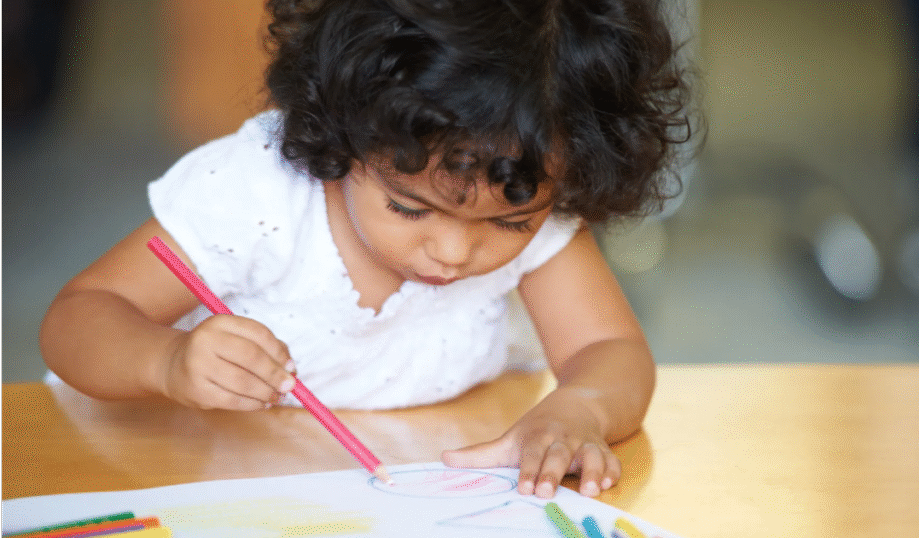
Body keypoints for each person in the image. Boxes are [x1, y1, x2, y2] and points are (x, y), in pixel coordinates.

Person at [39, 0, 697, 499]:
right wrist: (168, 360)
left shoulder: (541, 202)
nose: (453, 251)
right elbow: (79, 317)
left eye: (509, 225)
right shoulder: (257, 195)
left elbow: (609, 352)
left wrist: (578, 408)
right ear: (344, 131)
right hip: (196, 474)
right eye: (411, 207)